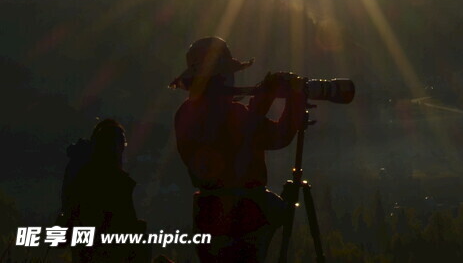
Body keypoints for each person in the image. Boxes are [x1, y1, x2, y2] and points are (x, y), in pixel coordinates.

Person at [169, 37, 306, 262]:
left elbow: (239, 140)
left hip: (206, 214)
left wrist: (263, 103)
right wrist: (296, 99)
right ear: (220, 78)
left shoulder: (185, 113)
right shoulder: (233, 114)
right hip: (245, 218)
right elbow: (278, 136)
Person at [60, 119, 147, 262]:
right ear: (116, 147)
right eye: (122, 145)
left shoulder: (81, 173)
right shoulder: (115, 180)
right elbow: (124, 221)